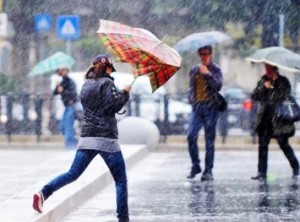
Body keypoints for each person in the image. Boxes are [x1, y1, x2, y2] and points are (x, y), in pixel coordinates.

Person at [33, 54, 131, 222]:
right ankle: (123, 218)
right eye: (110, 68)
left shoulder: (86, 84)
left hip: (87, 137)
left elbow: (97, 106)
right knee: (120, 180)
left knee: (72, 173)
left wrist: (119, 94)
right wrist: (125, 94)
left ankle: (44, 192)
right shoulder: (107, 82)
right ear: (107, 68)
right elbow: (111, 107)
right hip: (106, 139)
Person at [251, 63, 299, 180]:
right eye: (266, 68)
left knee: (284, 145)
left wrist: (273, 86)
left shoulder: (283, 81)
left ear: (275, 69)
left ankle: (296, 167)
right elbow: (255, 96)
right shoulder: (263, 80)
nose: (267, 70)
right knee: (262, 146)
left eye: (269, 68)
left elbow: (285, 96)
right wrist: (264, 87)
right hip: (265, 119)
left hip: (279, 120)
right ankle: (261, 172)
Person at [187, 45, 223, 181]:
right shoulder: (194, 70)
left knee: (209, 141)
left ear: (211, 55)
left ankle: (208, 171)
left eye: (206, 54)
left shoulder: (216, 69)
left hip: (211, 108)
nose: (203, 57)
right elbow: (191, 88)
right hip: (198, 107)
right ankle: (195, 164)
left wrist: (207, 74)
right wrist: (192, 100)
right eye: (201, 54)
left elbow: (218, 85)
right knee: (191, 136)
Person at [54, 68, 78, 148]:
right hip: (67, 107)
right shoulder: (62, 82)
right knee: (62, 126)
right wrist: (57, 86)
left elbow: (73, 95)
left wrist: (63, 90)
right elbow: (55, 92)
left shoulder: (70, 82)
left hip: (71, 106)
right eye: (61, 71)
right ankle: (73, 142)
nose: (62, 73)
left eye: (64, 71)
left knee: (68, 126)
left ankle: (71, 145)